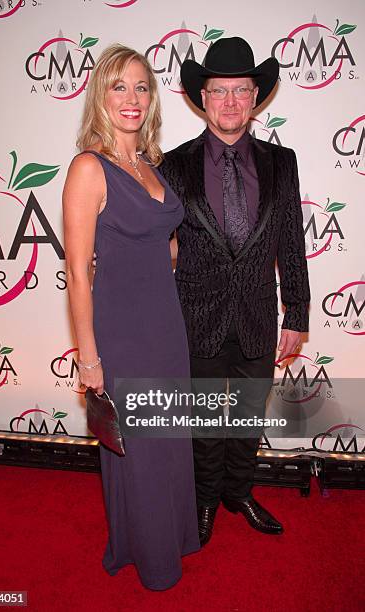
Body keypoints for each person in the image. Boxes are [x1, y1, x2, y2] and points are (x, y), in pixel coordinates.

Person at [160, 37, 310, 546]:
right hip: (194, 314)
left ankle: (239, 492)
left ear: (255, 97)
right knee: (204, 420)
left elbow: (292, 238)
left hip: (257, 313)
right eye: (219, 91)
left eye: (240, 91)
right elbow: (158, 240)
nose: (229, 102)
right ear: (202, 98)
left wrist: (297, 312)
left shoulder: (281, 162)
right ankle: (204, 500)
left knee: (247, 413)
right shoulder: (174, 164)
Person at [62, 44, 199, 590]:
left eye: (141, 87)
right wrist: (89, 359)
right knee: (138, 449)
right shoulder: (88, 168)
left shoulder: (148, 165)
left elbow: (163, 246)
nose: (132, 98)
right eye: (119, 86)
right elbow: (76, 274)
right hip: (124, 333)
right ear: (101, 94)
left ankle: (171, 537)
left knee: (167, 440)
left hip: (166, 325)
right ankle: (151, 560)